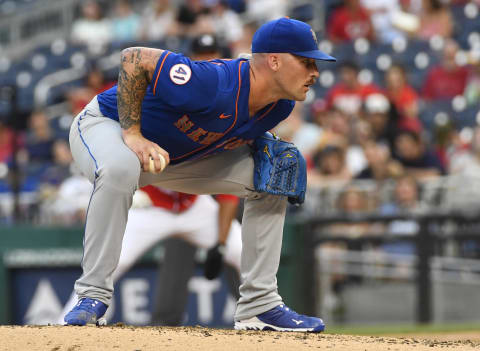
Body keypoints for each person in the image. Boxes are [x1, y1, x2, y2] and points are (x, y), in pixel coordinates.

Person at [64, 17, 336, 332]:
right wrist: (133, 133)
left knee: (275, 171)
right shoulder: (213, 82)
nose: (315, 72)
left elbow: (230, 135)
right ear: (274, 61)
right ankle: (92, 297)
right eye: (306, 62)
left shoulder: (279, 106)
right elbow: (133, 58)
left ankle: (259, 306)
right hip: (107, 125)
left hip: (173, 160)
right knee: (119, 168)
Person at [56, 186, 242, 325]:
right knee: (113, 259)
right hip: (150, 207)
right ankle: (68, 322)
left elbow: (228, 191)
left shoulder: (201, 136)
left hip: (195, 206)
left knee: (242, 250)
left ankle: (261, 313)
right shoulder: (147, 136)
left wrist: (221, 245)